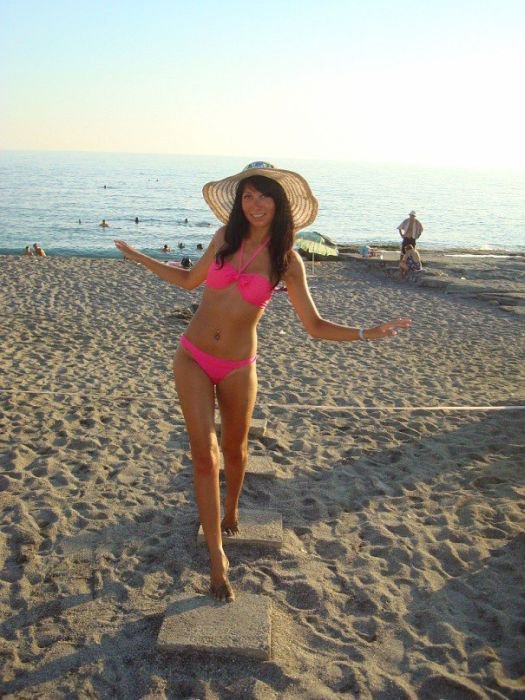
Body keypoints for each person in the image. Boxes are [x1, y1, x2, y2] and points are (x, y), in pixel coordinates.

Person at [114, 161, 411, 603]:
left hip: (238, 366)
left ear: (279, 203)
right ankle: (216, 555)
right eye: (248, 196)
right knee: (204, 456)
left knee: (235, 450)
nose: (255, 204)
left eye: (263, 196)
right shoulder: (223, 238)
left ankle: (232, 506)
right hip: (192, 356)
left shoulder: (287, 261)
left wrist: (367, 332)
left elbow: (314, 325)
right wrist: (139, 257)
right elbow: (188, 281)